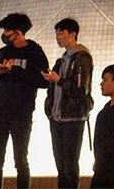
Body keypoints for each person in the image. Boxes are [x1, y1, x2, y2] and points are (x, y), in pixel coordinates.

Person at [0, 13, 49, 189]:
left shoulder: (35, 52)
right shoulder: (1, 53)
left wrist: (16, 70)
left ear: (19, 33)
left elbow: (44, 81)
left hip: (21, 115)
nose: (5, 35)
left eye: (8, 32)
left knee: (21, 161)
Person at [42, 18, 94, 189]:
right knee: (61, 166)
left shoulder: (82, 58)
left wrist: (59, 80)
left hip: (72, 118)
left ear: (73, 34)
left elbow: (80, 92)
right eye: (56, 33)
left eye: (61, 33)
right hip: (57, 118)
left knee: (70, 165)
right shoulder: (62, 60)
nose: (58, 37)